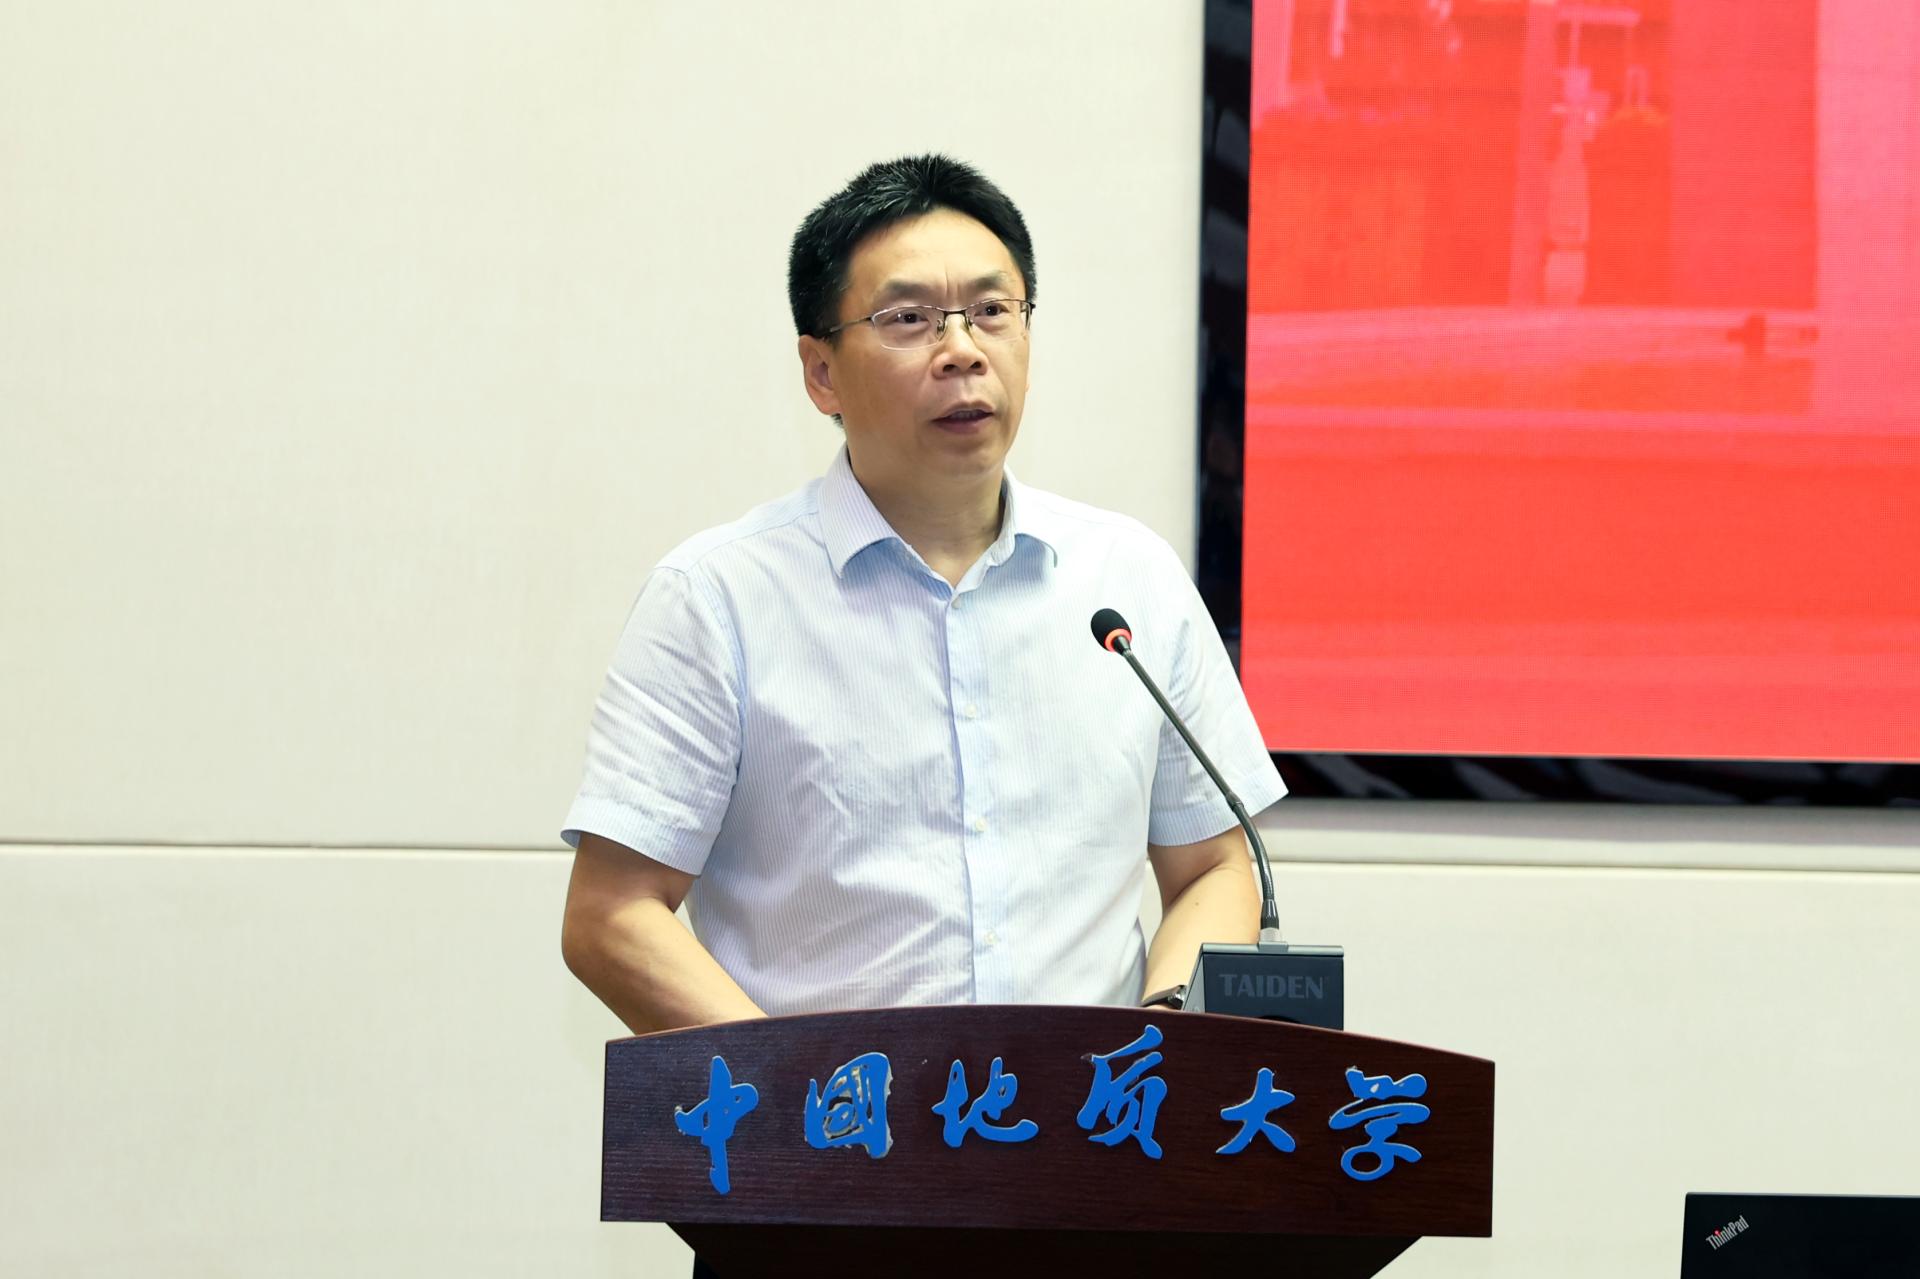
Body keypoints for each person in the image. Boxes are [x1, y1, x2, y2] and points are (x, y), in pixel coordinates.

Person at [559, 155, 1284, 1035]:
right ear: (821, 372)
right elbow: (612, 915)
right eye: (909, 319)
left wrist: (1162, 1036)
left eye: (993, 311)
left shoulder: (1130, 582)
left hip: (1088, 1118)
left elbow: (1216, 864)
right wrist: (794, 1094)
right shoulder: (717, 601)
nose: (963, 350)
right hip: (828, 1117)